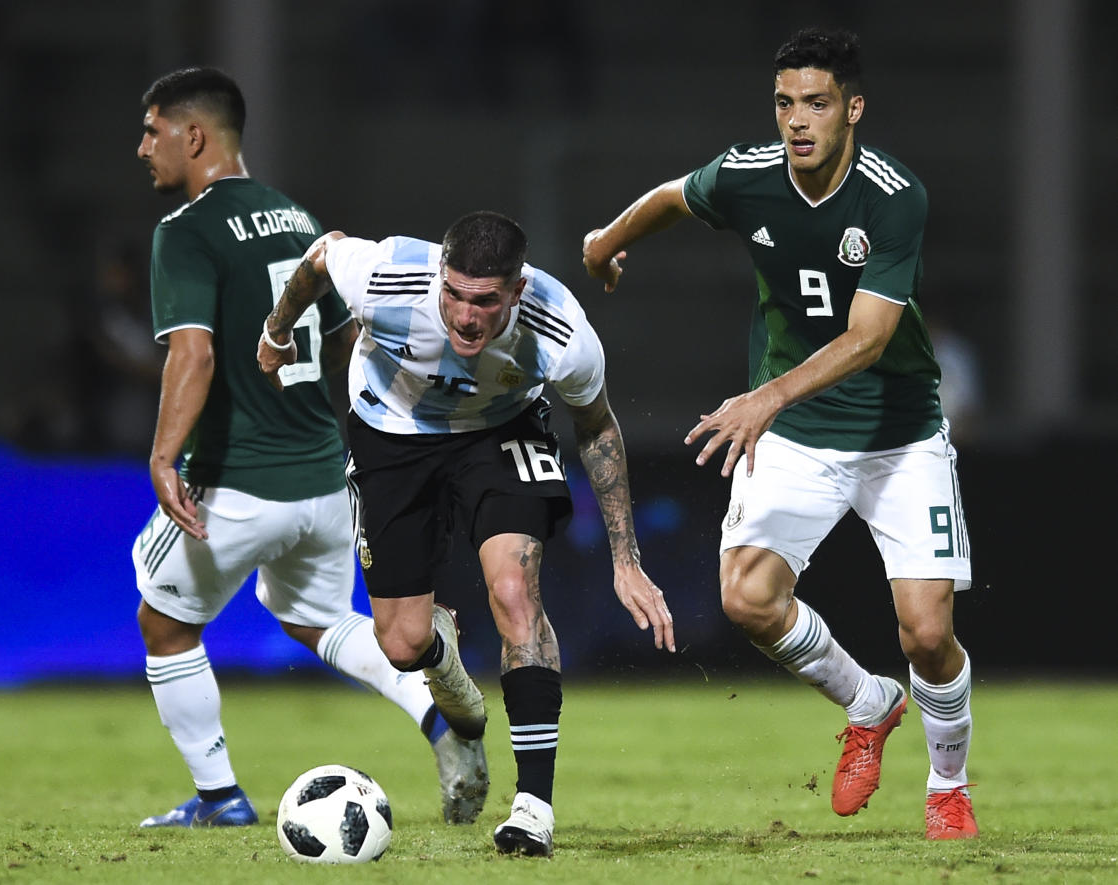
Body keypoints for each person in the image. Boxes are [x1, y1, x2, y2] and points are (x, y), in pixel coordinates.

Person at [582, 27, 977, 840]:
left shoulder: (893, 196)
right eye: (785, 103)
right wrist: (606, 241)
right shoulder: (750, 175)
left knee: (929, 631)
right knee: (747, 597)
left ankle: (948, 785)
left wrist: (765, 397)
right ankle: (868, 704)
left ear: (852, 110)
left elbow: (868, 337)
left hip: (898, 432)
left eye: (817, 104)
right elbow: (670, 197)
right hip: (802, 434)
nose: (798, 121)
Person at [131, 66, 488, 830]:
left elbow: (190, 353)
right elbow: (343, 337)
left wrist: (165, 456)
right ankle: (441, 720)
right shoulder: (298, 220)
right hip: (325, 478)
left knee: (163, 621)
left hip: (240, 478)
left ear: (193, 136)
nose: (143, 148)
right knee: (319, 618)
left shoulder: (185, 231)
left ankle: (221, 798)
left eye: (152, 129)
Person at [257, 210, 677, 857]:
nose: (465, 316)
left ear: (517, 289)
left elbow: (595, 426)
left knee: (513, 589)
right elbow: (322, 256)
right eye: (452, 294)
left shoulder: (558, 328)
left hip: (500, 432)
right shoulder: (389, 275)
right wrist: (279, 329)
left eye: (485, 301)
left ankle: (533, 808)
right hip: (391, 436)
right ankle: (451, 681)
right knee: (402, 641)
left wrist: (626, 556)